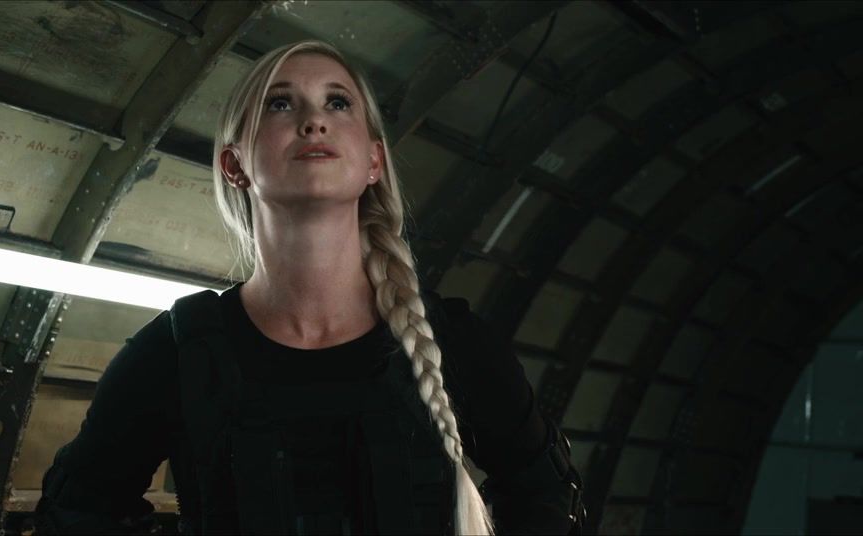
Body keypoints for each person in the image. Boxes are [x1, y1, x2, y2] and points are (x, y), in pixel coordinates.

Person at [32, 40, 585, 535]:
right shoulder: (176, 352)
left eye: (337, 103)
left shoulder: (453, 341)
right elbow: (76, 511)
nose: (314, 121)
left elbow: (548, 497)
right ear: (234, 164)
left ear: (374, 161)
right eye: (280, 104)